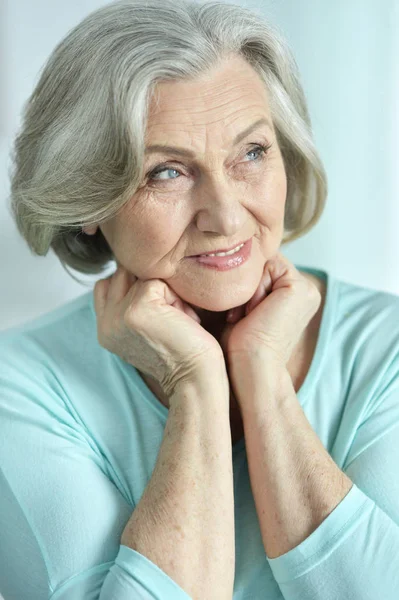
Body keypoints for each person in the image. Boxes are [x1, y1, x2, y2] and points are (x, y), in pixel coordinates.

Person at [0, 0, 398, 598]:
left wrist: (261, 373)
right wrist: (197, 383)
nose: (227, 215)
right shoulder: (20, 384)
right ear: (87, 202)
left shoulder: (386, 346)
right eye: (166, 172)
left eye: (252, 153)